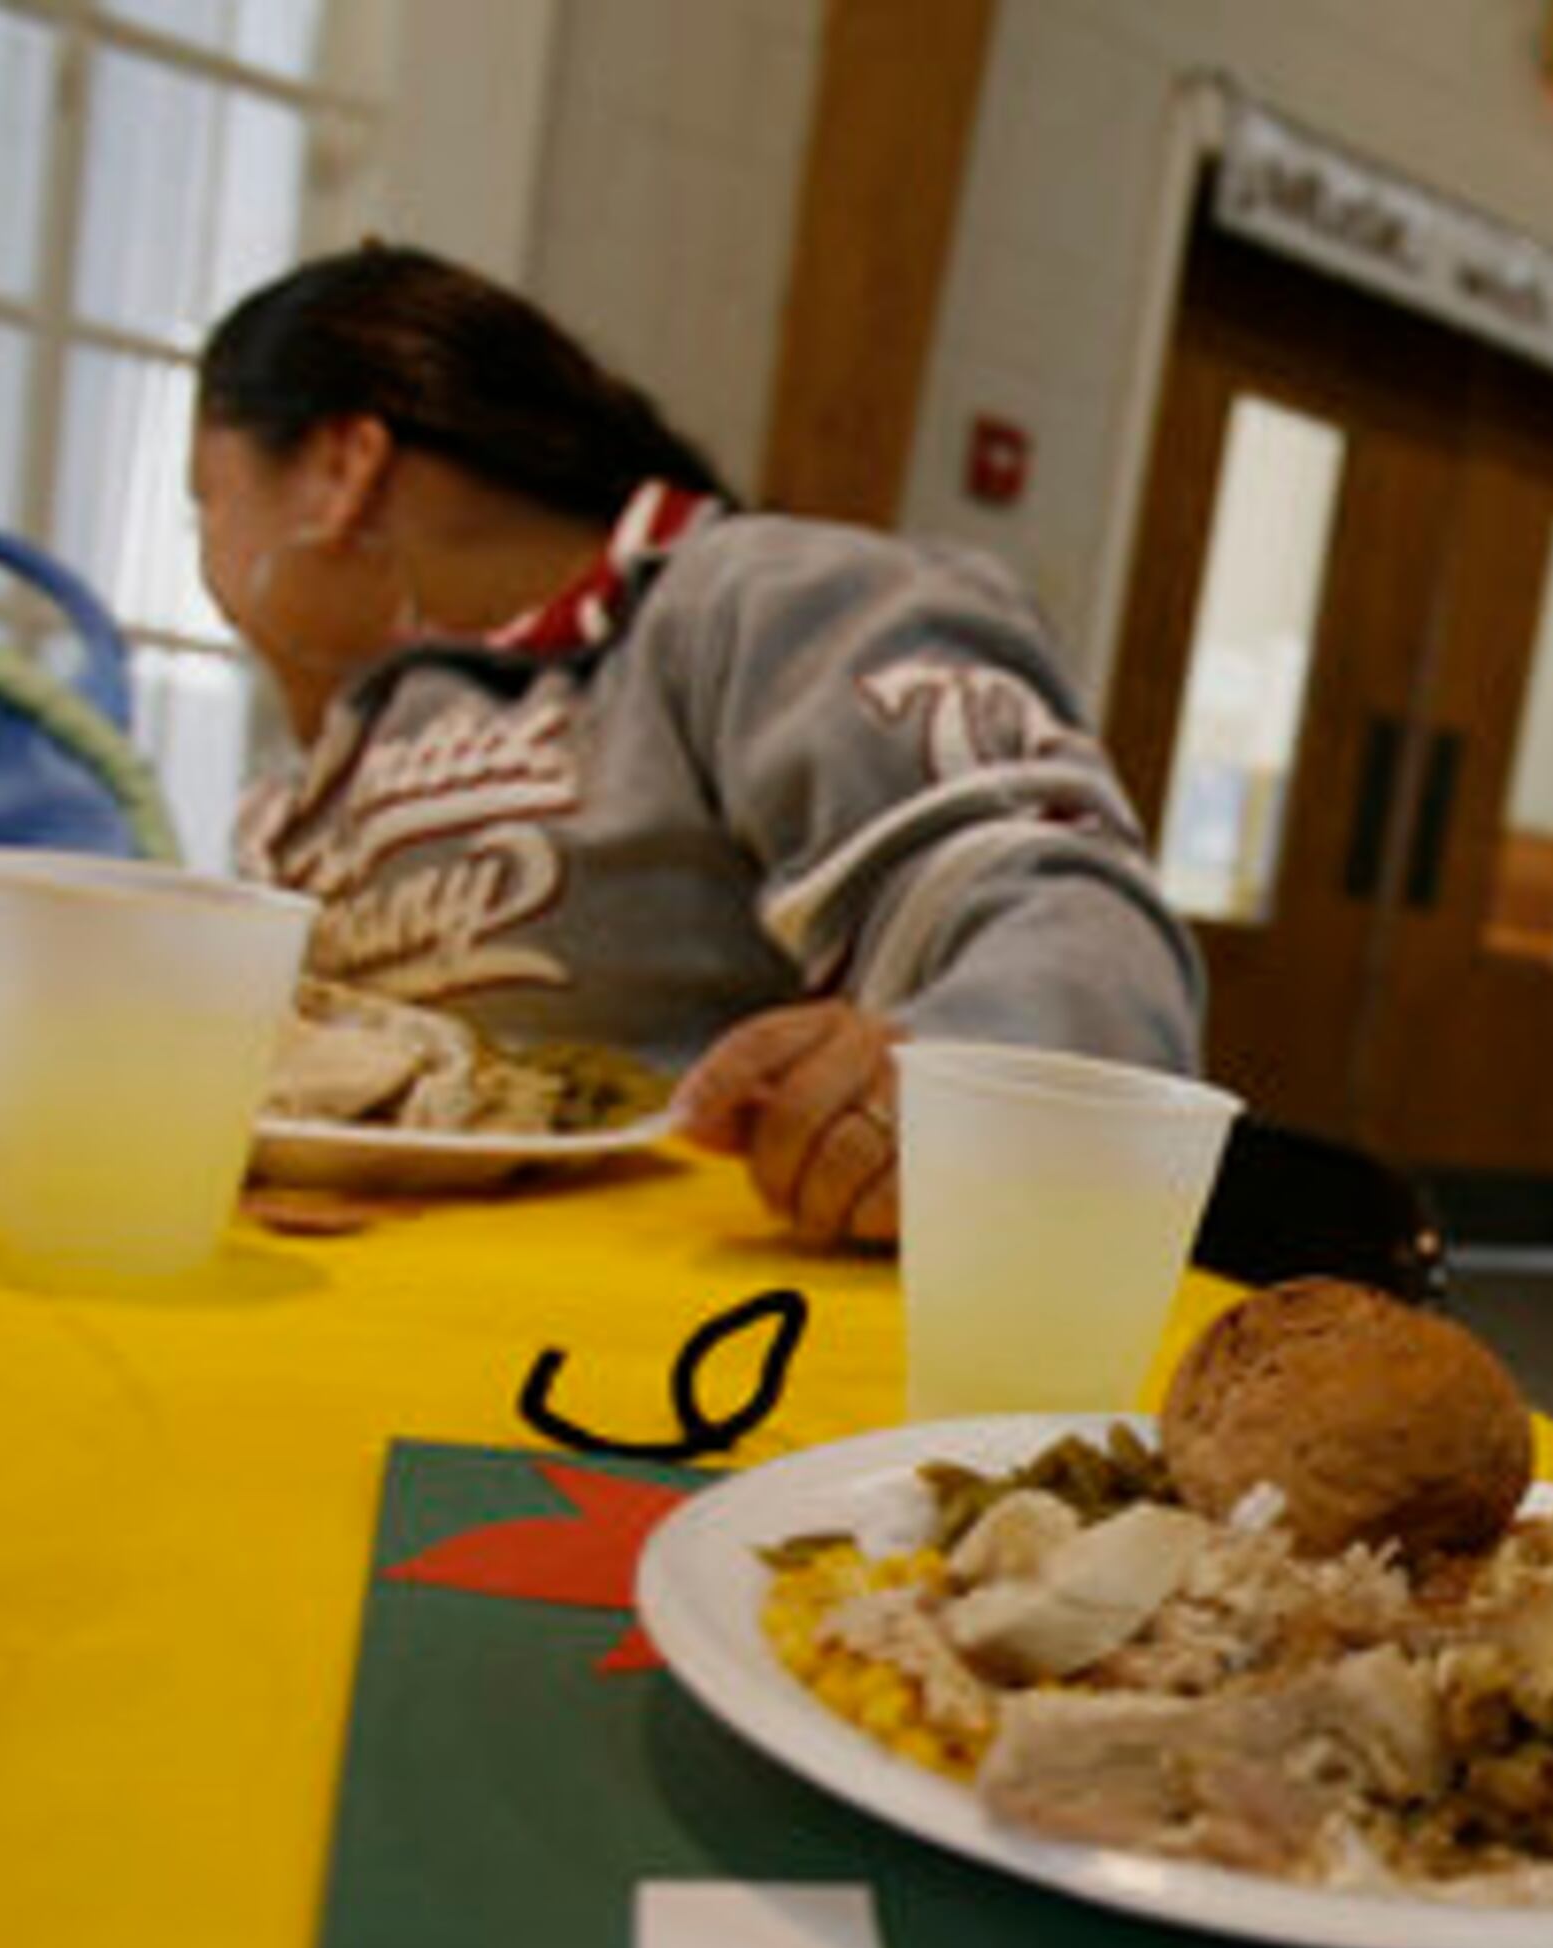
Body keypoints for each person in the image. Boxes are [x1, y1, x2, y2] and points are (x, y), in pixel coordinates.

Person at [189, 243, 1202, 1244]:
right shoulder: (312, 778)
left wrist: (953, 1080)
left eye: (208, 499)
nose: (206, 565)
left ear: (339, 467)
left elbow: (1080, 939)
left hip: (696, 1346)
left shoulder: (744, 606)